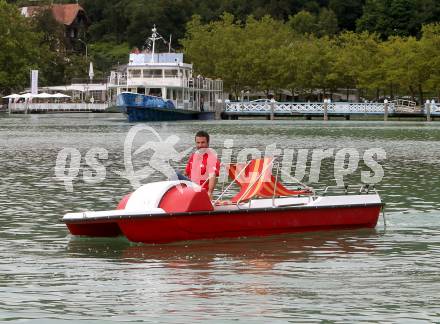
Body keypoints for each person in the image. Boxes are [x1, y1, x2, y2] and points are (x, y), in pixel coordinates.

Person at [184, 131, 220, 199]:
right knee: (173, 174)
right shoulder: (193, 156)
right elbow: (186, 174)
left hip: (201, 192)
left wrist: (210, 193)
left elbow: (213, 177)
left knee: (175, 174)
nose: (200, 145)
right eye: (198, 143)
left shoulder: (212, 158)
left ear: (208, 143)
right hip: (190, 190)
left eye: (203, 142)